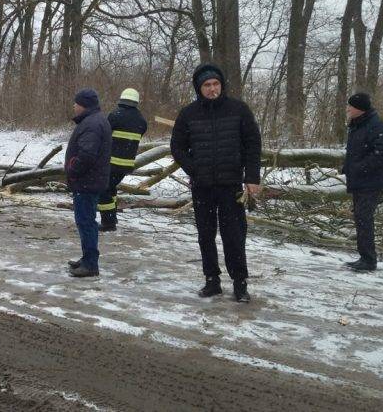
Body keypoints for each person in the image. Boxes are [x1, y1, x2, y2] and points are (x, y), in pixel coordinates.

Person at [170, 63, 262, 303]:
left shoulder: (238, 110)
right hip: (202, 187)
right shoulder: (188, 114)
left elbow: (253, 144)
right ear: (199, 89)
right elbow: (177, 147)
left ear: (222, 85)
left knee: (234, 235)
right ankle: (212, 280)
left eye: (216, 84)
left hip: (230, 185)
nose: (212, 89)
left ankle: (240, 283)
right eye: (207, 85)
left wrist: (252, 177)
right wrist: (194, 169)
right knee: (205, 234)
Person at [340, 92, 383, 272]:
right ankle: (364, 257)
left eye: (350, 106)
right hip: (359, 181)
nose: (347, 109)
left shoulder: (377, 126)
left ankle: (369, 260)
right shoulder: (356, 126)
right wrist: (347, 167)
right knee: (360, 218)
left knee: (364, 219)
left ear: (360, 109)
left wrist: (360, 168)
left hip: (372, 181)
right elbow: (355, 152)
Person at [63, 88, 112, 278]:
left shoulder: (92, 124)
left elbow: (87, 155)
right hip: (90, 181)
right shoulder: (95, 120)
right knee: (86, 221)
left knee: (85, 222)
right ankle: (87, 258)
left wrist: (72, 170)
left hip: (87, 182)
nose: (74, 106)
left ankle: (91, 264)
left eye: (76, 103)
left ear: (84, 105)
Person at [98, 88, 148, 232]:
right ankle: (112, 217)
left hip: (111, 162)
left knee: (103, 190)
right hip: (126, 165)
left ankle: (108, 222)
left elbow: (104, 135)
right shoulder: (141, 120)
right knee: (111, 187)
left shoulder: (114, 115)